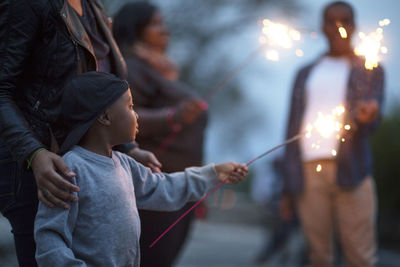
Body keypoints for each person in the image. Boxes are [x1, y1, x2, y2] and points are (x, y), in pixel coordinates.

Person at [0, 1, 159, 266]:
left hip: (86, 168)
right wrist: (34, 153)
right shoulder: (27, 5)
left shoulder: (93, 6)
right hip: (42, 171)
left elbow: (100, 94)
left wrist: (128, 148)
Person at [33, 71, 248, 267]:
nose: (136, 116)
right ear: (105, 116)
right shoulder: (71, 168)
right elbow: (49, 237)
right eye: (130, 107)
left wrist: (213, 173)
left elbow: (166, 187)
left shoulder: (126, 165)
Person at [282, 2, 384, 267]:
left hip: (354, 170)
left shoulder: (369, 69)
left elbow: (375, 118)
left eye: (345, 20)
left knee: (360, 256)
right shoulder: (304, 73)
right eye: (331, 20)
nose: (338, 27)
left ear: (354, 26)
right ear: (322, 26)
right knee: (318, 256)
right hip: (308, 172)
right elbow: (291, 127)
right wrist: (287, 185)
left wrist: (368, 117)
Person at [112, 2, 208, 266]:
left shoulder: (162, 71)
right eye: (155, 24)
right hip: (155, 184)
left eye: (163, 23)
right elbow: (121, 117)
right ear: (136, 30)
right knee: (153, 258)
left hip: (180, 185)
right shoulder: (130, 67)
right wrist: (171, 117)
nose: (165, 30)